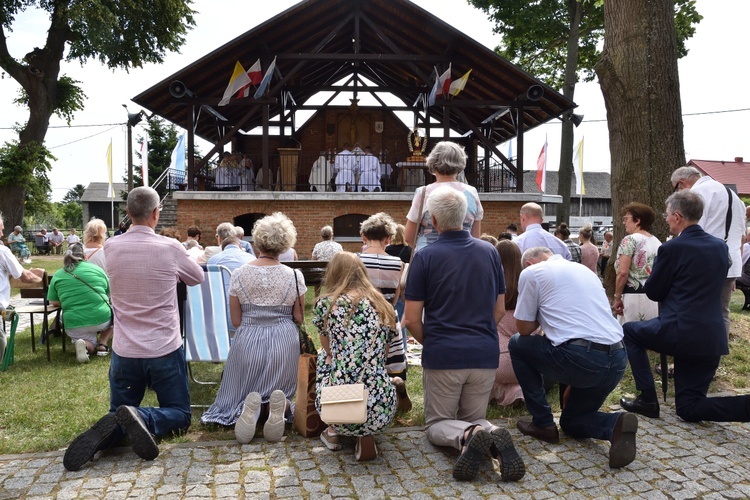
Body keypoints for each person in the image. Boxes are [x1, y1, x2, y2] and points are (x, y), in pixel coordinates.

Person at [62, 187, 204, 472]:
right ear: (156, 214)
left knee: (117, 413)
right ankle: (142, 418)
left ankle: (115, 424)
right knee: (179, 415)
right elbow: (197, 278)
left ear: (127, 214)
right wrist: (193, 258)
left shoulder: (110, 247)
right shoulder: (171, 248)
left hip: (125, 350)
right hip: (163, 347)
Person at [403, 185, 524, 482]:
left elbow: (411, 318)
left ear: (433, 219)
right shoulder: (489, 252)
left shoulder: (425, 256)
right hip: (484, 352)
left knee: (437, 424)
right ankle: (491, 433)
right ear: (466, 217)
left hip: (445, 352)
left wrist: (432, 342)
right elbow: (498, 311)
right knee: (476, 417)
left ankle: (469, 435)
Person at [621, 190, 750, 423]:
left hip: (680, 330)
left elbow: (654, 291)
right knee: (689, 408)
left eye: (667, 215)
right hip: (712, 335)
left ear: (678, 216)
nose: (666, 219)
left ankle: (648, 399)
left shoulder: (672, 248)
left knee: (629, 332)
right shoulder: (720, 246)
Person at [509, 246, 637, 469]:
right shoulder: (584, 271)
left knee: (517, 344)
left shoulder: (532, 273)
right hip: (617, 357)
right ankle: (615, 423)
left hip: (581, 358)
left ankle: (543, 423)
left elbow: (524, 328)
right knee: (572, 421)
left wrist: (540, 315)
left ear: (529, 264)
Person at [201, 212, 306, 445]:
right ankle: (277, 406)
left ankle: (250, 404)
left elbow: (236, 321)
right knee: (283, 389)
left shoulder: (239, 274)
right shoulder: (294, 276)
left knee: (237, 394)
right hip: (283, 341)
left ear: (257, 241)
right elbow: (299, 317)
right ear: (285, 245)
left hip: (249, 337)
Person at [314, 252, 399, 461]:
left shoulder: (326, 305)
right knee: (373, 366)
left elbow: (329, 351)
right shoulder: (383, 305)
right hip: (381, 405)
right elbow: (384, 354)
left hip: (339, 403)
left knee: (325, 359)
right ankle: (366, 431)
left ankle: (334, 431)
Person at [671, 166, 746, 338]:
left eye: (676, 189)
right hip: (731, 262)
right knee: (722, 312)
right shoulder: (733, 196)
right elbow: (741, 238)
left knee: (695, 311)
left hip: (704, 263)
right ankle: (717, 357)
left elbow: (690, 230)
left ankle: (695, 357)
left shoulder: (697, 194)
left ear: (681, 183)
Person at [359, 212, 410, 412]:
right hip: (388, 318)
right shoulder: (399, 264)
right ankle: (390, 393)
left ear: (364, 236)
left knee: (365, 363)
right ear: (388, 238)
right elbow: (396, 299)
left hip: (362, 318)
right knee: (388, 362)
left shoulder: (357, 261)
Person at [404, 141, 483, 252]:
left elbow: (408, 237)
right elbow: (475, 237)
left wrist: (423, 250)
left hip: (429, 256)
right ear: (460, 163)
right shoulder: (471, 192)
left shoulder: (424, 193)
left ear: (433, 162)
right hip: (464, 257)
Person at [47, 243, 113, 363]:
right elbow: (109, 293)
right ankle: (103, 343)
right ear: (85, 256)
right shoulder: (97, 270)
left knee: (87, 341)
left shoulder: (58, 274)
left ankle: (85, 346)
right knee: (116, 313)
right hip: (101, 318)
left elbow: (54, 302)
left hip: (74, 321)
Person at [0, 214, 44, 360]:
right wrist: (39, 277)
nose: (2, 233)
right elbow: (24, 277)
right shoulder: (2, 251)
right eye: (0, 229)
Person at [613, 202, 662, 324]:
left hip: (633, 297)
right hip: (654, 299)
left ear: (637, 221)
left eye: (626, 219)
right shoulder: (657, 242)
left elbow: (623, 272)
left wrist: (617, 297)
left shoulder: (629, 240)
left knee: (631, 337)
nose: (624, 222)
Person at [491, 240, 525, 407]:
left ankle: (498, 392)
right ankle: (517, 392)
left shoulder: (490, 284)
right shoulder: (527, 286)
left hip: (495, 360)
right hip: (525, 362)